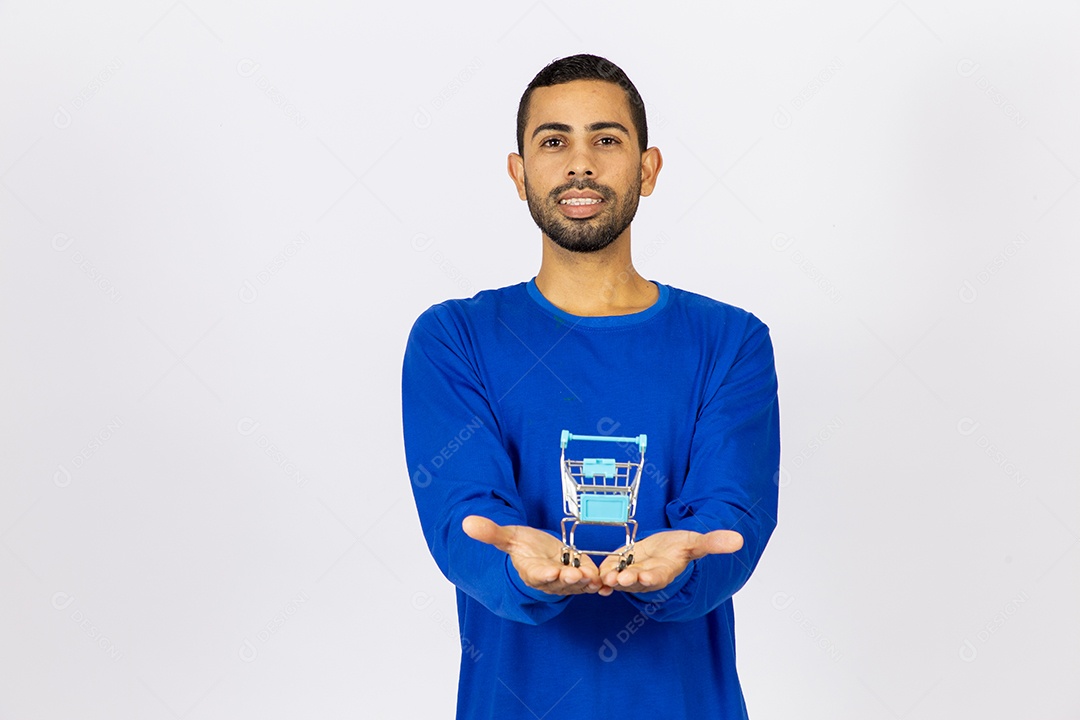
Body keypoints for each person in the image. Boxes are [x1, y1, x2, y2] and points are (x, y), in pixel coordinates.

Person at [401, 53, 780, 719]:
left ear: (647, 168)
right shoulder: (454, 338)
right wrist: (517, 567)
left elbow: (730, 523)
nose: (581, 164)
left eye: (607, 140)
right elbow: (468, 521)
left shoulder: (731, 342)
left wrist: (687, 564)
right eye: (554, 142)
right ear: (519, 174)